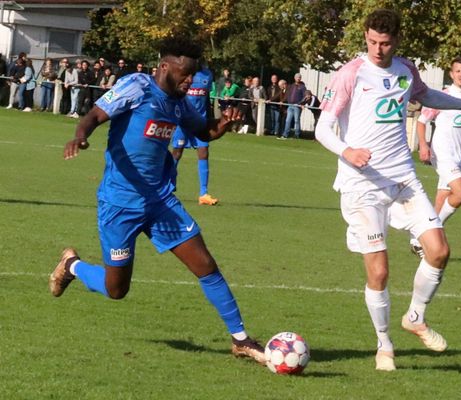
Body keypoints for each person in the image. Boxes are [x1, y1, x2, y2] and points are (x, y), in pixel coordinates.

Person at [49, 35, 265, 365]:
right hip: (119, 204)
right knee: (116, 289)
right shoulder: (136, 87)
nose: (190, 80)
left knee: (206, 265)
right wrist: (79, 137)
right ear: (165, 66)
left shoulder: (179, 103)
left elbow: (202, 131)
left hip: (160, 201)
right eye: (184, 73)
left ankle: (241, 340)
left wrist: (222, 124)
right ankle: (71, 266)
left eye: (193, 74)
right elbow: (93, 116)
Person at [315, 9, 461, 371]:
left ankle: (415, 316)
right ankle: (384, 344)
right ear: (365, 36)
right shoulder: (351, 73)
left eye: (385, 43)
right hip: (361, 185)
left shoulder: (405, 69)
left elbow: (429, 97)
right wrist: (347, 150)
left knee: (439, 250)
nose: (378, 49)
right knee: (379, 273)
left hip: (403, 179)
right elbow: (323, 128)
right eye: (373, 42)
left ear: (396, 41)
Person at [413, 56, 461, 255]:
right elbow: (422, 121)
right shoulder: (442, 96)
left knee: (443, 199)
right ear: (451, 74)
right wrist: (423, 145)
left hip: (459, 156)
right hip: (441, 152)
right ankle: (434, 228)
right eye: (458, 71)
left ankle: (420, 238)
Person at [171, 65, 219, 206]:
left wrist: (209, 120)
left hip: (200, 122)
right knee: (176, 153)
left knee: (204, 152)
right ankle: (168, 185)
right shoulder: (184, 73)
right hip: (183, 121)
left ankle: (203, 194)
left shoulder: (207, 75)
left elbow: (205, 100)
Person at [281, 73, 306, 139]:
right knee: (288, 120)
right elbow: (288, 94)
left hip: (297, 106)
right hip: (290, 105)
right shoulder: (291, 86)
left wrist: (300, 103)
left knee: (296, 120)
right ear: (294, 78)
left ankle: (297, 134)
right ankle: (285, 134)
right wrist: (283, 101)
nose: (298, 78)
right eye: (297, 77)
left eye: (299, 77)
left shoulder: (302, 87)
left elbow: (304, 97)